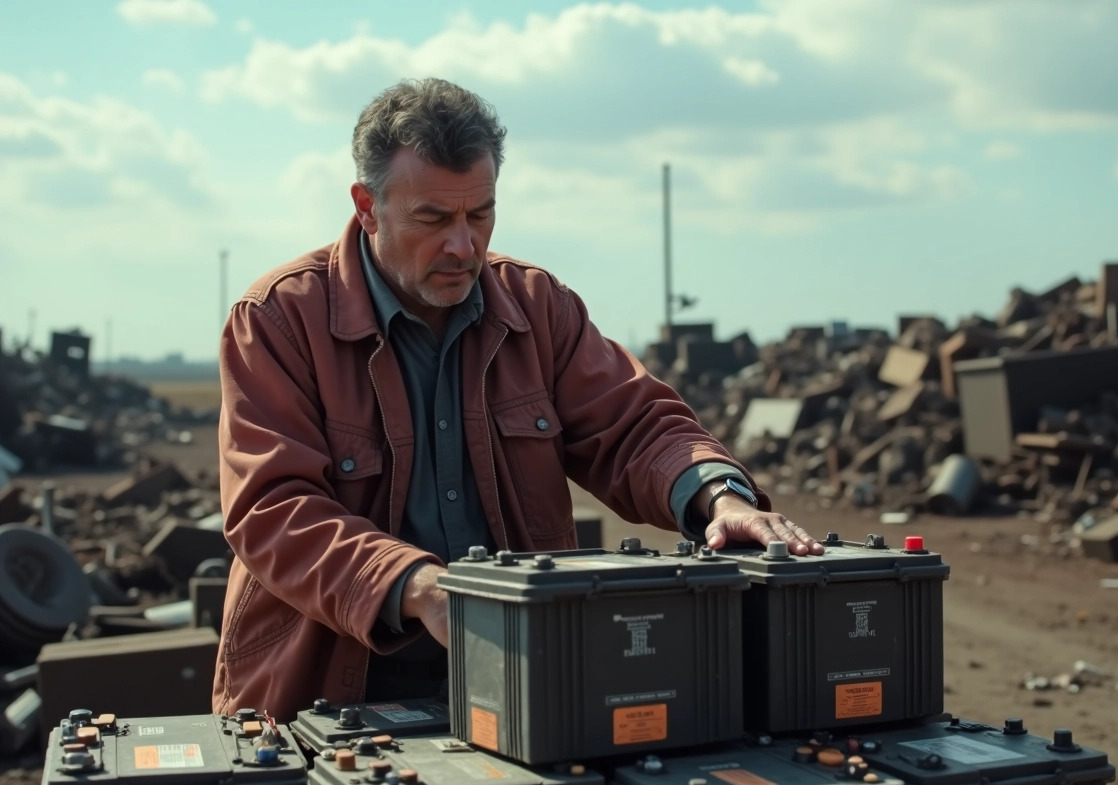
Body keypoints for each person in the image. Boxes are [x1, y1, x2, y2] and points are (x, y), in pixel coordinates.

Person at [212, 77, 822, 719]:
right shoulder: (279, 321)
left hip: (523, 680)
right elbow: (273, 508)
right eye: (433, 219)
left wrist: (719, 497)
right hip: (326, 693)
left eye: (480, 215)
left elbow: (635, 424)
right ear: (368, 206)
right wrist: (418, 587)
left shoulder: (537, 308)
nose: (462, 244)